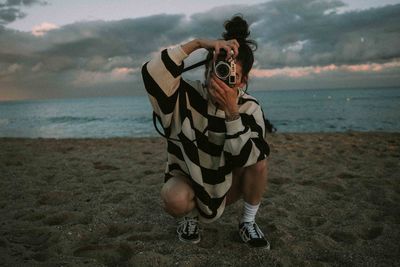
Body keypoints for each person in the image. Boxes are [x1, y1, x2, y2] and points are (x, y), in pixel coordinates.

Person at [141, 15, 271, 249]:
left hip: (228, 185)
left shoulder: (250, 107)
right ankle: (189, 219)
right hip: (191, 182)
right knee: (174, 198)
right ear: (208, 68)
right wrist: (200, 44)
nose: (220, 78)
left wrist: (232, 112)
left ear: (242, 81)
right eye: (217, 69)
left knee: (259, 161)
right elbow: (152, 74)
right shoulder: (185, 96)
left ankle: (248, 222)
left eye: (230, 74)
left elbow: (247, 158)